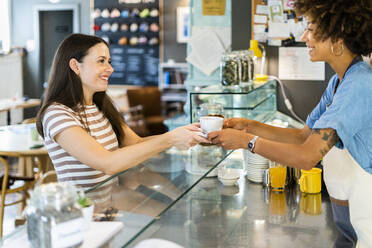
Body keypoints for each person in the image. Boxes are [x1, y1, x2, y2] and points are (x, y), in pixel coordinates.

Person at [208, 0, 372, 247]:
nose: (304, 37)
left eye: (312, 29)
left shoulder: (358, 85)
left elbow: (306, 156)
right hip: (350, 213)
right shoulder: (340, 81)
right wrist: (248, 125)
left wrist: (246, 142)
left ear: (338, 38)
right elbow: (303, 137)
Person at [36, 33, 209, 193]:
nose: (110, 68)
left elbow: (136, 143)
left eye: (109, 61)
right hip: (82, 216)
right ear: (75, 66)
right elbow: (107, 163)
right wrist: (170, 139)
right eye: (101, 61)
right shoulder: (57, 114)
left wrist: (182, 134)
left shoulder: (100, 106)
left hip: (111, 210)